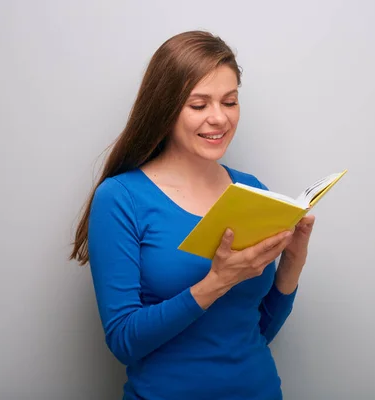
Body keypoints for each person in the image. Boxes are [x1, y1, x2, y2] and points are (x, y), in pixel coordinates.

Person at [70, 30, 316, 400]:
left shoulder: (251, 191)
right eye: (198, 105)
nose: (218, 118)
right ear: (165, 109)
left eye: (229, 102)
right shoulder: (121, 198)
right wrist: (216, 281)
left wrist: (293, 261)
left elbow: (255, 330)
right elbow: (123, 341)